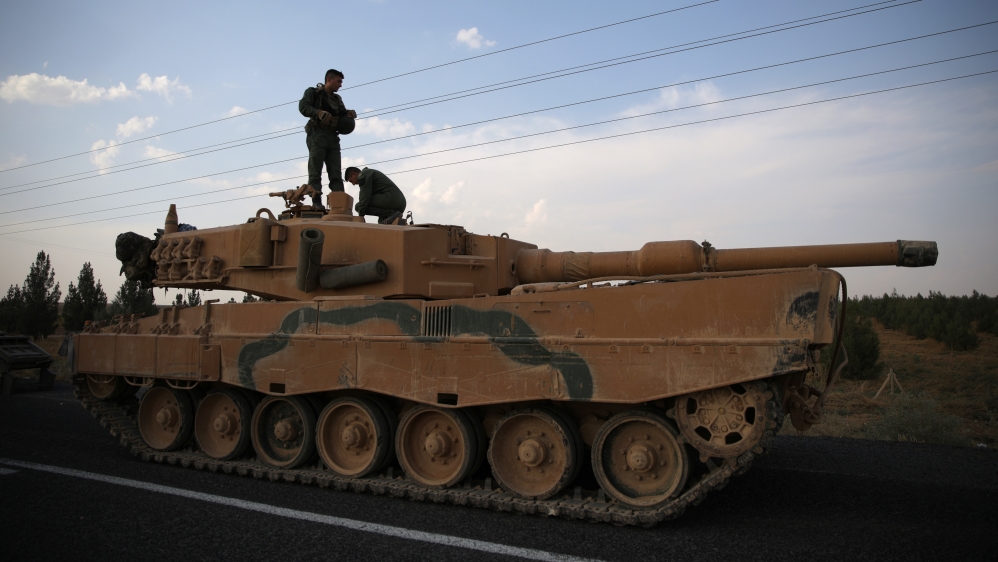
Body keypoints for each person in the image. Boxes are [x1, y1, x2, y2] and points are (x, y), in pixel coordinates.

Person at [299, 69, 357, 209]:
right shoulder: (313, 92)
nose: (340, 85)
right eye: (339, 81)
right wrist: (318, 112)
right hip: (317, 134)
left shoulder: (337, 99)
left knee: (335, 171)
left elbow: (341, 113)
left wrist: (349, 113)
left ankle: (339, 204)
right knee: (315, 170)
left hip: (332, 136)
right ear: (329, 80)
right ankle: (316, 201)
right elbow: (303, 107)